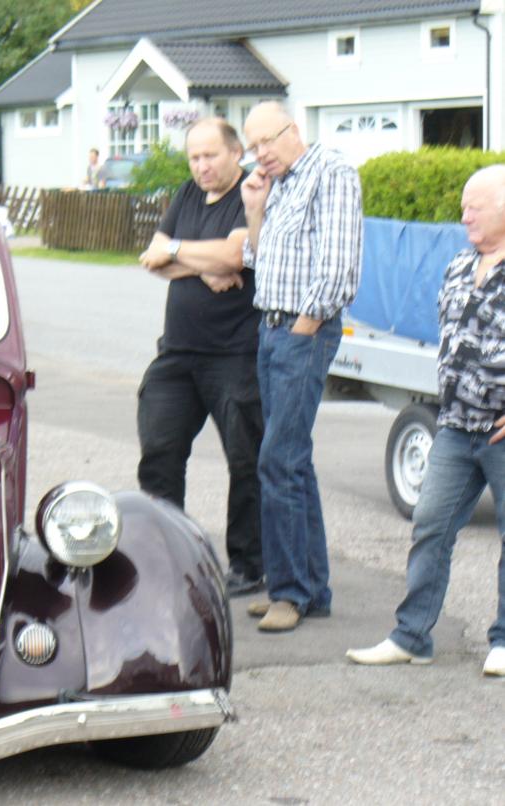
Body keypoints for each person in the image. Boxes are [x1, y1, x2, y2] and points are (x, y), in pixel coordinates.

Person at [346, 165, 505, 677]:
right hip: (455, 426)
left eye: (474, 206)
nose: (465, 215)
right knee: (430, 527)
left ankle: (503, 642)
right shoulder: (459, 264)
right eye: (463, 206)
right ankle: (411, 637)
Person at [240, 101, 362, 632]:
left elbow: (339, 269)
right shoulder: (279, 184)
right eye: (253, 147)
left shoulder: (331, 172)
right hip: (271, 327)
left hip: (301, 330)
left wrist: (304, 328)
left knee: (278, 459)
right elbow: (257, 259)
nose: (260, 154)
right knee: (292, 459)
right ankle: (311, 589)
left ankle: (288, 593)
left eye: (267, 141)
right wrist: (255, 210)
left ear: (294, 129)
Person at [137, 117, 263, 597]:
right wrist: (201, 267)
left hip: (234, 354)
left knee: (245, 462)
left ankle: (248, 565)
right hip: (178, 353)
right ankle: (166, 557)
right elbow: (152, 257)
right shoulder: (188, 194)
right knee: (160, 453)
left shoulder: (249, 193)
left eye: (210, 155)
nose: (201, 166)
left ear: (235, 153)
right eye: (194, 157)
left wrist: (180, 253)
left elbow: (235, 256)